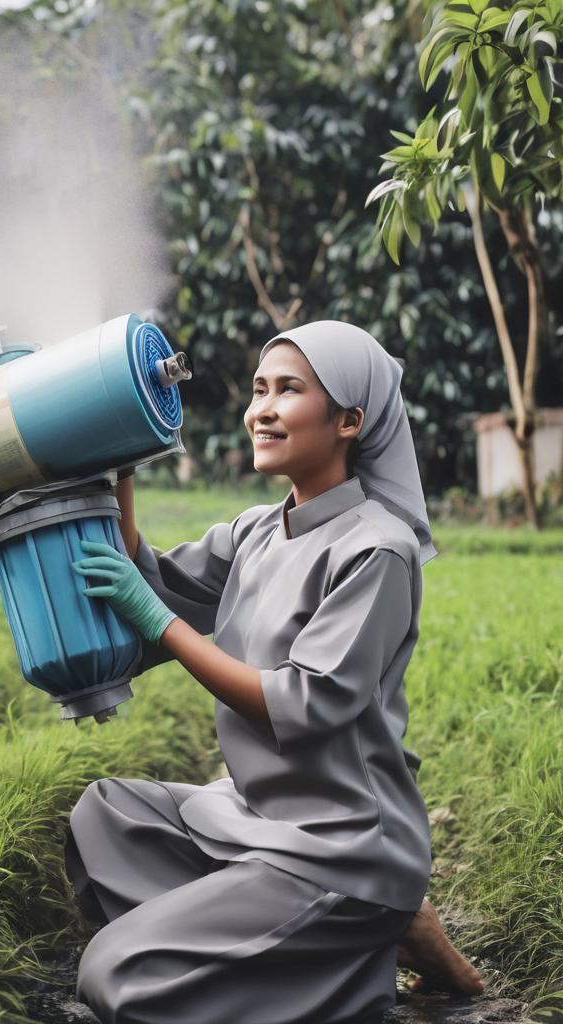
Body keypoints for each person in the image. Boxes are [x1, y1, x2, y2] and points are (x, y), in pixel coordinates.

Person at [66, 321, 485, 1024]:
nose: (261, 408)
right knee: (103, 817)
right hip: (259, 816)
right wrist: (125, 463)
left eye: (288, 390)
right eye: (259, 389)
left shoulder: (376, 550)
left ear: (350, 419)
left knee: (113, 976)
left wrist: (153, 616)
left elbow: (298, 704)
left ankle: (359, 944)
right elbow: (155, 580)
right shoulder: (260, 529)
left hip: (342, 843)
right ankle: (343, 944)